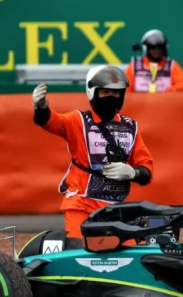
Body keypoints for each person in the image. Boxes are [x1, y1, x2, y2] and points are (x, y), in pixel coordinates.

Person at [32, 65, 154, 239]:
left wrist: (132, 172)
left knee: (130, 257)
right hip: (81, 204)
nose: (111, 96)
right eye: (105, 92)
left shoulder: (130, 127)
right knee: (77, 252)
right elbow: (51, 121)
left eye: (116, 92)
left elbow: (147, 170)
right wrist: (41, 108)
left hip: (116, 209)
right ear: (93, 92)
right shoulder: (78, 121)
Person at [125, 29, 183, 93]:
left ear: (165, 49)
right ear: (146, 49)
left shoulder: (172, 65)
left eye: (160, 47)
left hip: (165, 102)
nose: (157, 50)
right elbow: (126, 88)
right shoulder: (134, 65)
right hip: (138, 102)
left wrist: (169, 91)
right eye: (153, 47)